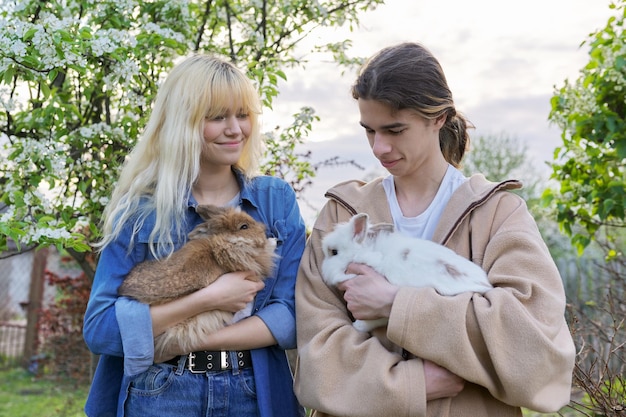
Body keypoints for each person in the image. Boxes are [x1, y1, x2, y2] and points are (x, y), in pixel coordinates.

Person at [294, 42, 576, 416]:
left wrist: (397, 304)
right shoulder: (342, 217)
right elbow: (316, 352)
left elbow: (536, 346)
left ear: (438, 118)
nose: (379, 148)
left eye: (395, 130)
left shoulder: (497, 214)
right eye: (369, 131)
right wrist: (411, 383)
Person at [83, 54, 306, 417]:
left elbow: (292, 315)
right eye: (217, 117)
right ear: (182, 123)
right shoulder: (141, 211)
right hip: (162, 391)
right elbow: (101, 328)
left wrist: (171, 340)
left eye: (243, 114)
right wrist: (208, 299)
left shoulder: (274, 200)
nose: (235, 129)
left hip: (253, 391)